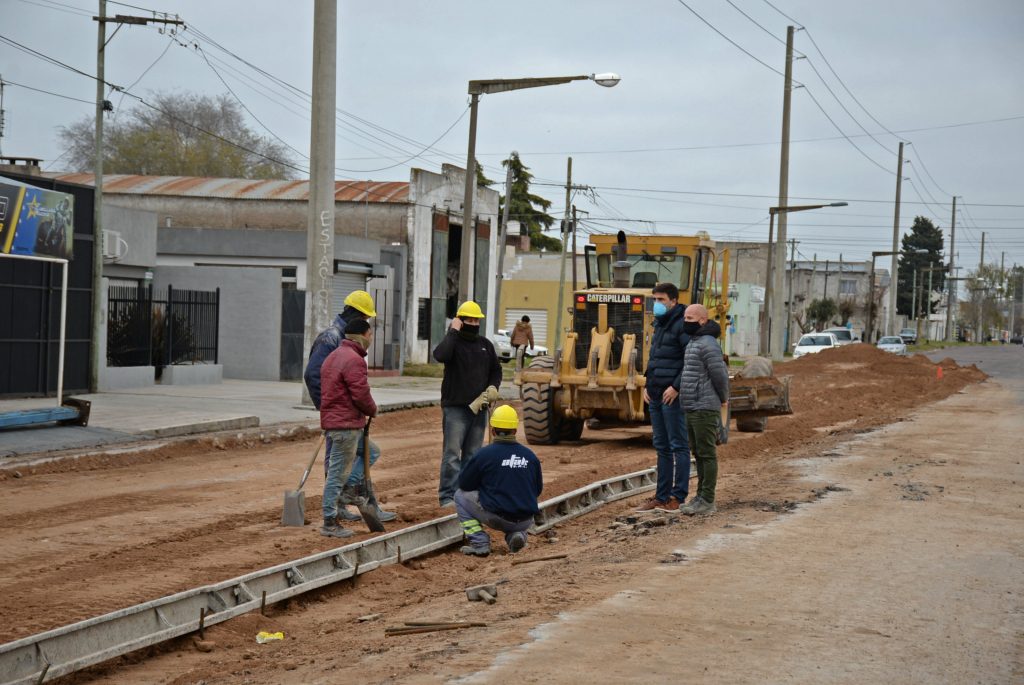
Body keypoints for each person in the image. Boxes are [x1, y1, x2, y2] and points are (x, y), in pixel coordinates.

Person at [303, 290, 395, 523]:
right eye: (366, 319)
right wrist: (328, 407)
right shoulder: (332, 338)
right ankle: (335, 509)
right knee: (337, 464)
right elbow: (314, 374)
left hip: (345, 414)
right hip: (340, 415)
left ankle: (347, 504)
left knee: (356, 457)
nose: (368, 326)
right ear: (356, 313)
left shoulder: (348, 338)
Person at [432, 300, 502, 508]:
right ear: (459, 321)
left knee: (472, 456)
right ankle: (447, 496)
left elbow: (495, 370)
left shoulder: (485, 345)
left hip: (479, 409)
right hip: (455, 408)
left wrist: (493, 387)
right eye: (469, 320)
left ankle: (466, 494)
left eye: (476, 320)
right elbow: (440, 355)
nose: (473, 323)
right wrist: (452, 332)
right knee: (452, 455)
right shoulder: (453, 343)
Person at [318, 319, 382, 538]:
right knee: (337, 474)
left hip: (339, 422)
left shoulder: (333, 357)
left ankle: (348, 490)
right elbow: (360, 393)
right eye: (370, 334)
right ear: (361, 336)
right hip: (345, 426)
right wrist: (372, 409)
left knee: (372, 452)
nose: (371, 339)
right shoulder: (354, 360)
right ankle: (329, 522)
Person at [455, 405, 543, 557]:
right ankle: (518, 535)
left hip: (498, 518)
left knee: (459, 496)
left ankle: (479, 542)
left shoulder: (484, 455)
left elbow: (464, 484)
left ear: (493, 431)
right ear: (515, 431)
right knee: (519, 500)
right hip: (525, 520)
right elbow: (537, 489)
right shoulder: (530, 456)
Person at [636, 282, 691, 512]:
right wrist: (648, 384)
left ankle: (677, 497)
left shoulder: (681, 325)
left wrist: (676, 387)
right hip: (656, 393)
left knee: (678, 445)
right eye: (655, 299)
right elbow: (655, 358)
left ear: (673, 301)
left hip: (672, 395)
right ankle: (661, 496)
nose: (657, 304)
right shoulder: (659, 324)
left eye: (661, 300)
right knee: (661, 446)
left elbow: (690, 359)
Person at [677, 304, 730, 515]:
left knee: (707, 453)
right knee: (698, 453)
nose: (685, 321)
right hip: (691, 405)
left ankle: (708, 500)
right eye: (684, 317)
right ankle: (699, 497)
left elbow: (719, 374)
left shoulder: (707, 343)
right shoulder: (694, 341)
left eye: (689, 317)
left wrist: (723, 398)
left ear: (702, 320)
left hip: (704, 406)